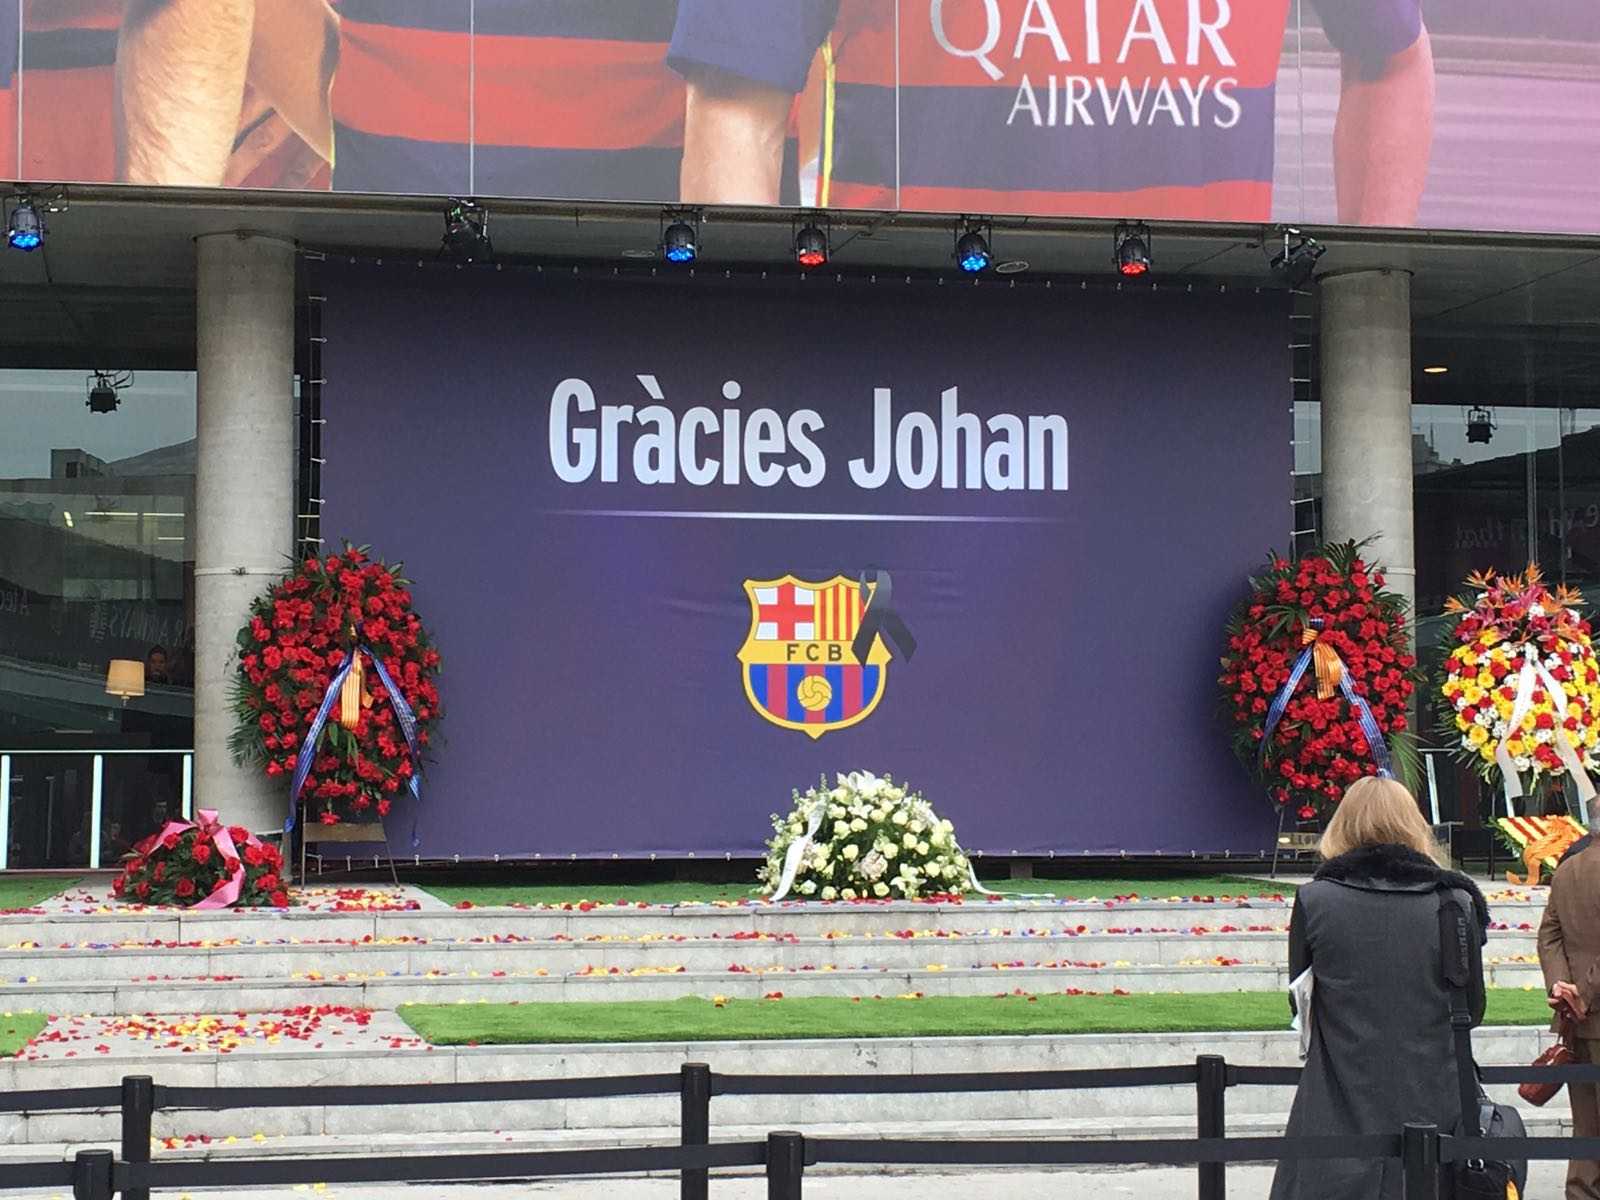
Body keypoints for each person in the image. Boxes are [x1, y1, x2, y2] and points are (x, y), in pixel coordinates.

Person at [667, 0, 1433, 226]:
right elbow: (737, 111)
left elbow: (1392, 53)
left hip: (1197, 370)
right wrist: (753, 370)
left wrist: (1362, 336)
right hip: (903, 383)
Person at [1269, 775, 1488, 1200]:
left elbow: (1300, 1006)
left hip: (1337, 1099)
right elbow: (1472, 1009)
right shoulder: (1454, 902)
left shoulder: (1317, 900)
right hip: (1433, 1096)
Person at [1537, 825, 1600, 1198]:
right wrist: (1584, 992)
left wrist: (1563, 987)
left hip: (1574, 1018)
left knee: (1586, 1124)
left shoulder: (1567, 870)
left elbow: (1549, 934)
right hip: (1583, 1007)